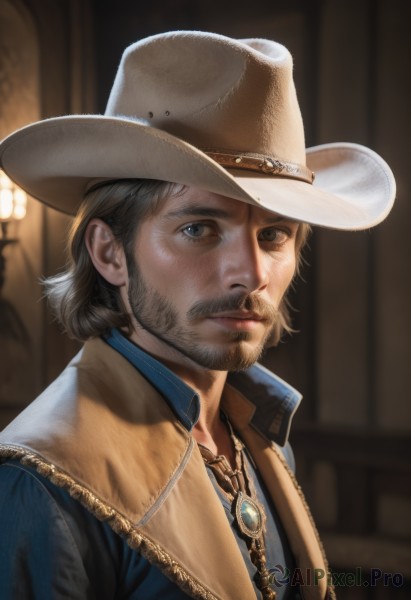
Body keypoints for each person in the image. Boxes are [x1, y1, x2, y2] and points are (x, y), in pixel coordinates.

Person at [0, 31, 395, 600]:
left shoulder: (254, 428)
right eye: (198, 228)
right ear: (110, 253)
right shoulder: (41, 479)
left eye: (274, 233)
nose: (251, 273)